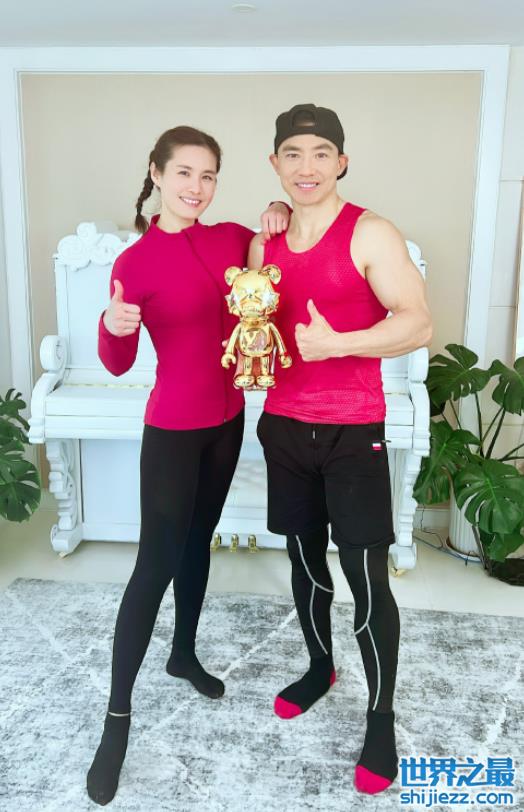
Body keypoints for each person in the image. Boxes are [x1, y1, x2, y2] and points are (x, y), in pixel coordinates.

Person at [86, 125, 289, 806]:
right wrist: (111, 327)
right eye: (183, 173)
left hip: (228, 423)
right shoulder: (136, 262)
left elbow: (275, 254)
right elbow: (118, 362)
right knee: (155, 563)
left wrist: (278, 211)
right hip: (172, 430)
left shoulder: (230, 238)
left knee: (199, 542)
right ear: (156, 172)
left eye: (207, 176)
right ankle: (117, 720)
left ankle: (183, 654)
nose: (196, 187)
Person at [249, 104, 432, 796]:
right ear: (275, 164)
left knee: (365, 578)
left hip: (353, 431)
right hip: (283, 425)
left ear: (342, 162)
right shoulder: (265, 243)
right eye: (293, 154)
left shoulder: (372, 232)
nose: (307, 168)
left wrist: (338, 344)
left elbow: (418, 323)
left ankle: (381, 718)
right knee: (304, 563)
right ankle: (319, 666)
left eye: (321, 153)